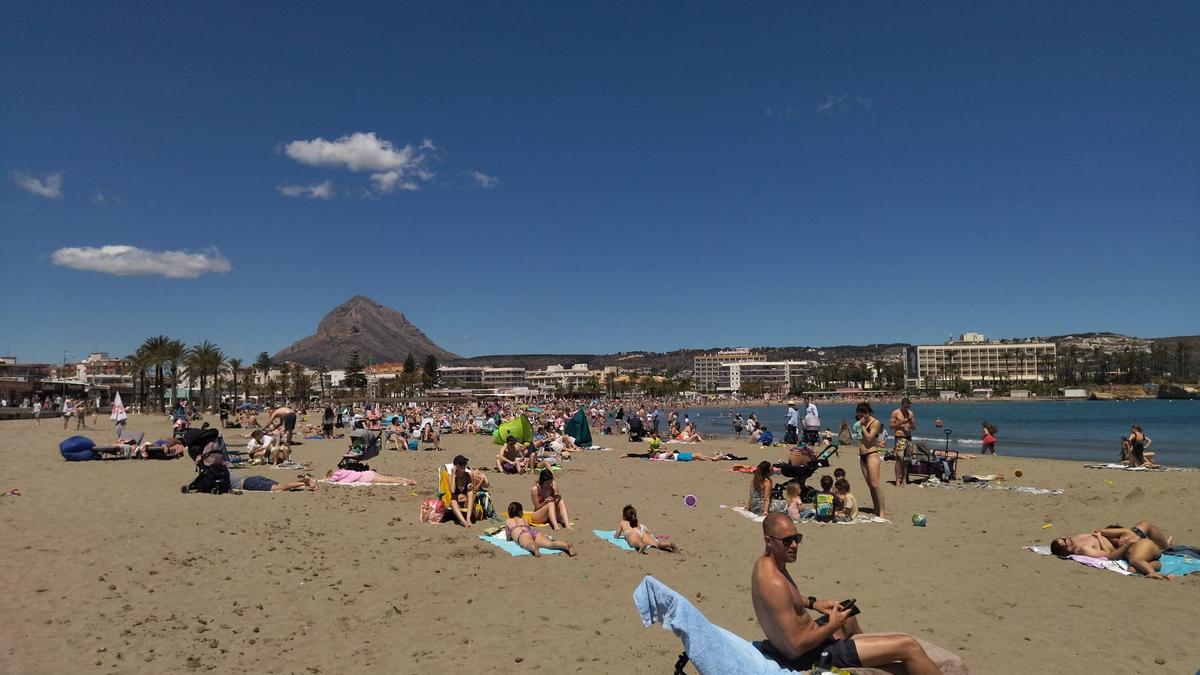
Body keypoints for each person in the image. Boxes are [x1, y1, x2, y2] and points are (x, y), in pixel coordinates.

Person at [751, 512, 941, 673]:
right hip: (808, 656)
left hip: (811, 641)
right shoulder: (773, 582)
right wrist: (831, 626)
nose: (793, 545)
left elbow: (785, 599)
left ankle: (866, 659)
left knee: (848, 616)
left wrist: (813, 603)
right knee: (908, 645)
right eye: (786, 541)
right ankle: (861, 656)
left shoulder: (767, 565)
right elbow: (795, 647)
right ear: (768, 541)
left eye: (796, 538)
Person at [1050, 520, 1173, 579]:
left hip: (1122, 538)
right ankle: (1155, 566)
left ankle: (1166, 548)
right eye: (1064, 540)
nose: (1065, 537)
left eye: (1062, 537)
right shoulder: (1083, 549)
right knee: (1136, 561)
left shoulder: (1074, 539)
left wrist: (1101, 533)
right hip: (1126, 544)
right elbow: (1109, 555)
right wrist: (1127, 544)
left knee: (1146, 525)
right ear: (1069, 548)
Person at [504, 502, 576, 556]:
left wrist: (513, 537)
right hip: (533, 533)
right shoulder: (525, 520)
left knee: (528, 544)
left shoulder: (508, 521)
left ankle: (534, 547)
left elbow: (508, 537)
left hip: (522, 534)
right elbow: (528, 530)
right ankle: (565, 545)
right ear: (520, 512)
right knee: (550, 544)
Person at [856, 403, 886, 518]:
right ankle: (876, 508)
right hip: (862, 455)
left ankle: (882, 511)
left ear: (868, 412)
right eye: (860, 414)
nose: (862, 416)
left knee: (875, 483)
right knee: (870, 485)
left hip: (871, 454)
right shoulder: (861, 422)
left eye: (864, 413)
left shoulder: (875, 423)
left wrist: (863, 426)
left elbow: (869, 438)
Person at [447, 455, 488, 528]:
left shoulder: (468, 475)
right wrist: (453, 474)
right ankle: (464, 522)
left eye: (464, 463)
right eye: (461, 464)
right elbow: (452, 490)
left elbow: (472, 491)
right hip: (456, 502)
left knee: (470, 492)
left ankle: (468, 519)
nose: (463, 465)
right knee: (453, 502)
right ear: (455, 465)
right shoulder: (451, 476)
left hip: (467, 502)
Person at [889, 398, 916, 487]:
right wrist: (901, 422)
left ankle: (904, 480)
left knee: (907, 460)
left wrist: (911, 423)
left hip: (908, 437)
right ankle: (897, 480)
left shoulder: (911, 413)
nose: (908, 406)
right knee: (899, 459)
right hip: (899, 438)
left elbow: (914, 428)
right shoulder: (896, 413)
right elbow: (891, 426)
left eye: (909, 405)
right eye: (907, 404)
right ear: (903, 404)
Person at [230, 471, 318, 492]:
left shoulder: (220, 474)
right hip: (251, 478)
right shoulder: (225, 469)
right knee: (282, 486)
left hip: (247, 483)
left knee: (279, 488)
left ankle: (305, 483)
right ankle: (303, 480)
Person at [324, 467, 418, 486]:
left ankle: (408, 482)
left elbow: (334, 480)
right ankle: (406, 479)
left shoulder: (338, 474)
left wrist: (325, 479)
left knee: (389, 481)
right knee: (389, 477)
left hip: (366, 478)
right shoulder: (343, 471)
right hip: (367, 473)